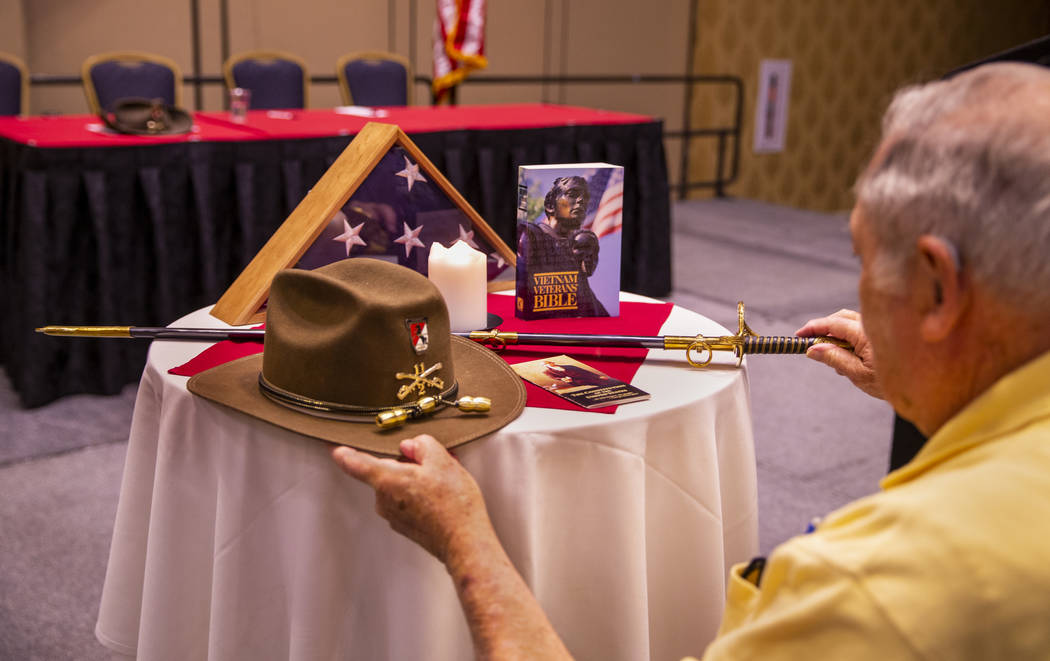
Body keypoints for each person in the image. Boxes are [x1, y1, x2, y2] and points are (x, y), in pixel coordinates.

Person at [332, 62, 1050, 659]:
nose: (858, 287)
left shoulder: (863, 590)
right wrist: (922, 380)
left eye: (861, 257)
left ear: (936, 288)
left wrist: (464, 540)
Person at [516, 176, 609, 317]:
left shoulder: (582, 241)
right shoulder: (532, 236)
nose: (581, 201)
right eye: (572, 194)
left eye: (585, 198)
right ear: (550, 205)